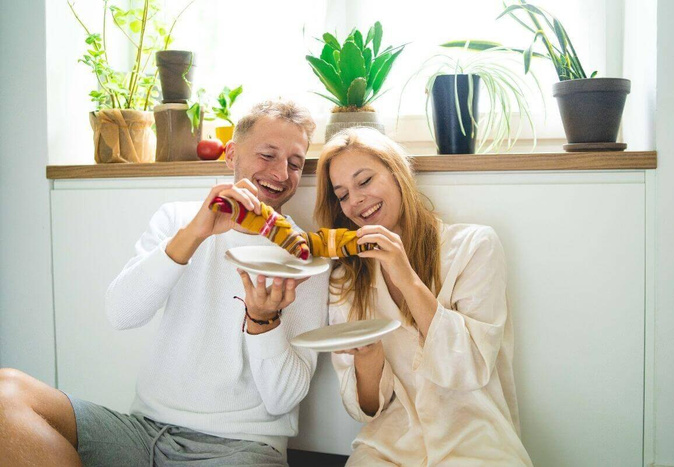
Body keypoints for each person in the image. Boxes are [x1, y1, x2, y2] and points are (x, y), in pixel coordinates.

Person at [0, 100, 329, 467]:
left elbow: (283, 399)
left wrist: (263, 322)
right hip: (142, 433)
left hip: (241, 448)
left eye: (295, 163)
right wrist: (194, 234)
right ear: (231, 154)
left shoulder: (305, 258)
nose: (281, 173)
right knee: (6, 394)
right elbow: (121, 313)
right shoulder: (177, 219)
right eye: (268, 155)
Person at [314, 127, 533, 466]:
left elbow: (469, 369)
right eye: (342, 194)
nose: (354, 201)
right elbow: (367, 410)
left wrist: (406, 278)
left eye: (365, 181)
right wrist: (368, 359)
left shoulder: (474, 247)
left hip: (474, 439)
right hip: (390, 444)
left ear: (397, 172)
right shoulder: (346, 279)